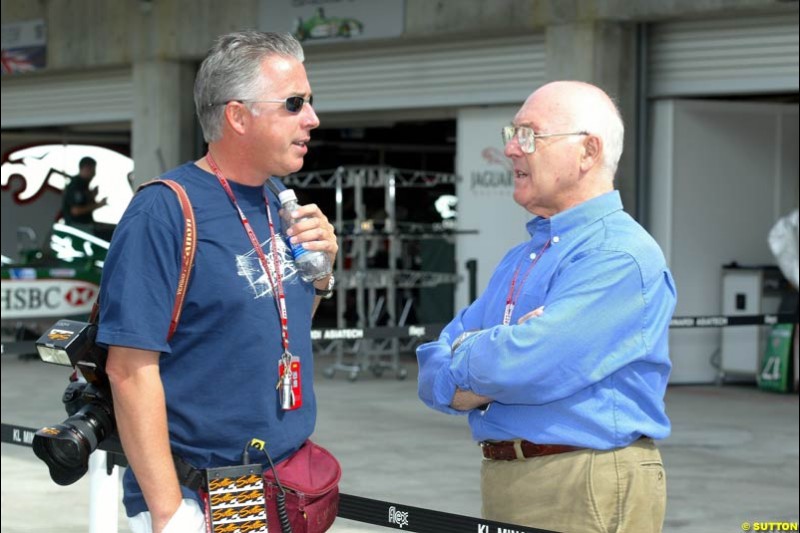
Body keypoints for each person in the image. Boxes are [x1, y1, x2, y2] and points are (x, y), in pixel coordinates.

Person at [97, 31, 337, 533]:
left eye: (310, 103)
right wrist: (170, 512)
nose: (312, 119)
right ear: (237, 116)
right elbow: (129, 370)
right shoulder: (163, 211)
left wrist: (321, 276)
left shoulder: (279, 201)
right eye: (295, 103)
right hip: (208, 489)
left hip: (285, 478)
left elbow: (270, 324)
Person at [417, 81, 676, 533]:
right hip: (513, 476)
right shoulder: (524, 257)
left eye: (530, 135)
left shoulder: (617, 255)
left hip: (580, 481)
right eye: (511, 134)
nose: (513, 150)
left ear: (588, 151)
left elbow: (527, 365)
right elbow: (431, 370)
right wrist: (496, 349)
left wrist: (477, 350)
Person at [61, 156, 107, 227]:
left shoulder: (84, 184)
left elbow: (83, 202)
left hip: (86, 224)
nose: (94, 174)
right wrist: (98, 205)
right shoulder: (76, 185)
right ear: (85, 168)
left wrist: (92, 196)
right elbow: (76, 211)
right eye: (92, 170)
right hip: (78, 227)